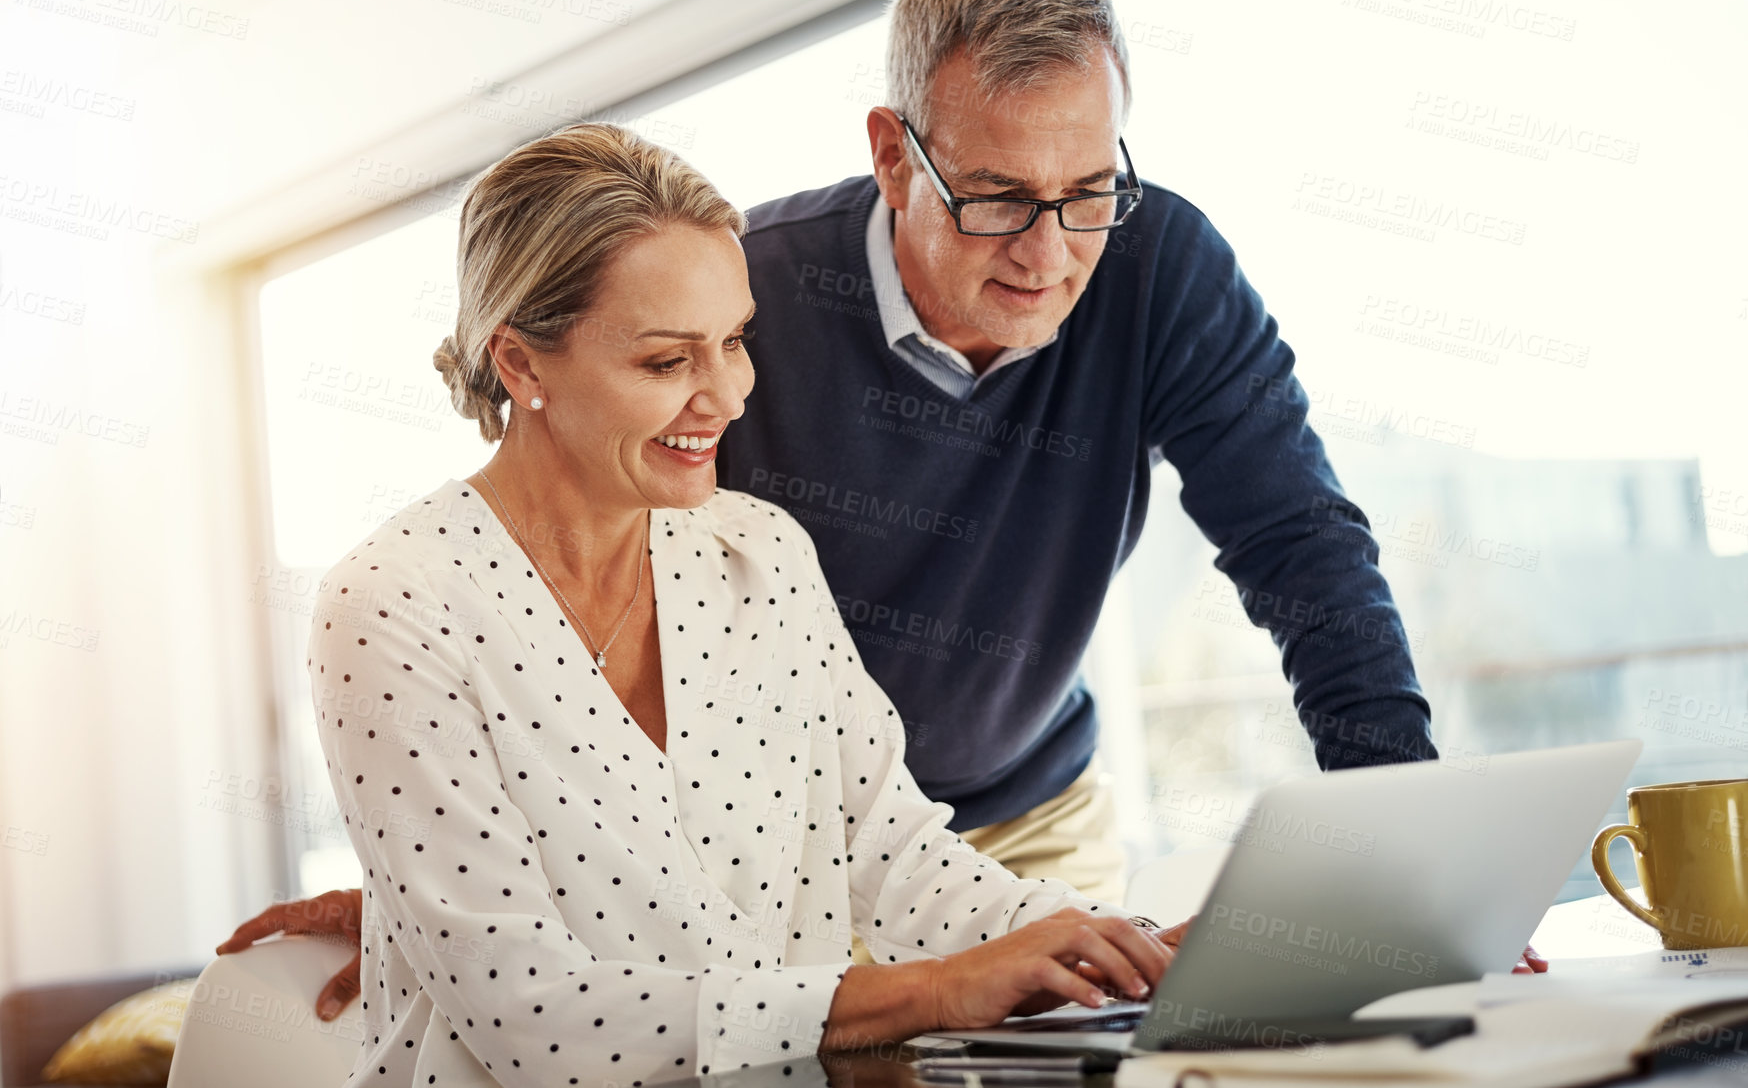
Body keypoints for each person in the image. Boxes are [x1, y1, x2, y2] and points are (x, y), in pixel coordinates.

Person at [219, 0, 1544, 1023]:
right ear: (896, 153)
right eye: (996, 198)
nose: (1050, 252)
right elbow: (574, 620)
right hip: (750, 857)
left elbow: (1302, 546)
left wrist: (1397, 870)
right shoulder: (752, 300)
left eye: (1088, 192)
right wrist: (459, 880)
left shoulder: (1151, 272)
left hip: (986, 820)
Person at [274, 122, 1179, 1086]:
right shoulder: (394, 604)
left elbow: (897, 851)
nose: (729, 396)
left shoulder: (760, 552)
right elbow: (526, 1014)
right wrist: (935, 989)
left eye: (737, 341)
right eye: (667, 362)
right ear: (522, 364)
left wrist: (1102, 945)